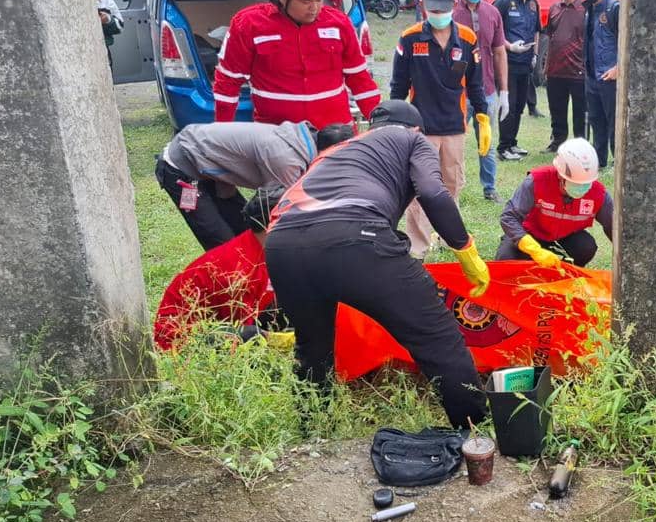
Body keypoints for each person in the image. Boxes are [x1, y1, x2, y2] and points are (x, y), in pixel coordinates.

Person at [264, 100, 492, 428]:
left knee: (312, 345)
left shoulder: (337, 150)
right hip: (355, 236)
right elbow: (433, 193)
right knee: (437, 337)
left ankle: (313, 427)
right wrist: (465, 249)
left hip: (282, 244)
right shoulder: (412, 140)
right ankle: (475, 429)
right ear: (417, 129)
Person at [214, 0, 381, 130]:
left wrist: (380, 124)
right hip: (276, 137)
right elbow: (227, 83)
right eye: (305, 1)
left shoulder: (339, 24)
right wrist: (222, 132)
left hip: (336, 135)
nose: (314, 8)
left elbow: (360, 79)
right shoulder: (248, 25)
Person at [390, 0, 490, 259]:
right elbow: (398, 86)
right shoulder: (410, 38)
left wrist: (482, 116)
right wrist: (395, 122)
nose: (437, 15)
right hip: (420, 127)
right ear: (423, 6)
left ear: (453, 4)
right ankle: (417, 245)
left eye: (442, 10)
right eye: (432, 10)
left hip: (454, 126)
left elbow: (475, 83)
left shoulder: (467, 39)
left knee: (452, 183)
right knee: (419, 187)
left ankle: (449, 236)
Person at [155, 120, 349, 250]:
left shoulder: (300, 142)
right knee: (223, 243)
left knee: (247, 234)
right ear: (328, 153)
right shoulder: (286, 159)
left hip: (211, 169)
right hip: (182, 167)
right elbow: (287, 212)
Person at [153, 188, 290, 351]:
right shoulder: (241, 269)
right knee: (252, 336)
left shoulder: (260, 249)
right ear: (273, 223)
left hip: (223, 322)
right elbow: (239, 327)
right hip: (181, 341)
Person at [495, 139, 612, 268]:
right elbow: (509, 217)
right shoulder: (537, 181)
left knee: (585, 247)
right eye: (575, 182)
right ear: (560, 175)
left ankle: (565, 269)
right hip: (531, 234)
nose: (582, 187)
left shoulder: (598, 193)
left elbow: (614, 226)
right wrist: (533, 249)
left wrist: (624, 255)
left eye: (586, 183)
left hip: (566, 236)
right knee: (506, 259)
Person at [452, 0, 510, 202]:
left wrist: (504, 91)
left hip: (486, 90)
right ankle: (451, 187)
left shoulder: (492, 13)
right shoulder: (450, 14)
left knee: (486, 141)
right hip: (458, 92)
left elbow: (499, 52)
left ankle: (490, 188)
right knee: (453, 143)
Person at [493, 0, 541, 162]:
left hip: (526, 63)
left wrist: (535, 55)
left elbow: (537, 30)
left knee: (520, 105)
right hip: (508, 62)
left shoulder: (533, 2)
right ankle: (503, 147)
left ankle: (512, 142)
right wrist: (510, 46)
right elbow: (493, 32)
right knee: (509, 105)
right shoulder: (503, 1)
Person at [543, 0, 586, 153]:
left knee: (580, 113)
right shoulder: (554, 8)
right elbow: (550, 36)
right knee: (556, 110)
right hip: (555, 70)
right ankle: (557, 142)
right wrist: (546, 66)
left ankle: (580, 145)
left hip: (578, 71)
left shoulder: (585, 9)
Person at [581, 0, 619, 170]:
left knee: (613, 121)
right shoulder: (588, 10)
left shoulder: (614, 9)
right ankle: (599, 160)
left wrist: (618, 68)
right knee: (596, 120)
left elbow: (627, 43)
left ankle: (617, 160)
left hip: (609, 76)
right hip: (592, 76)